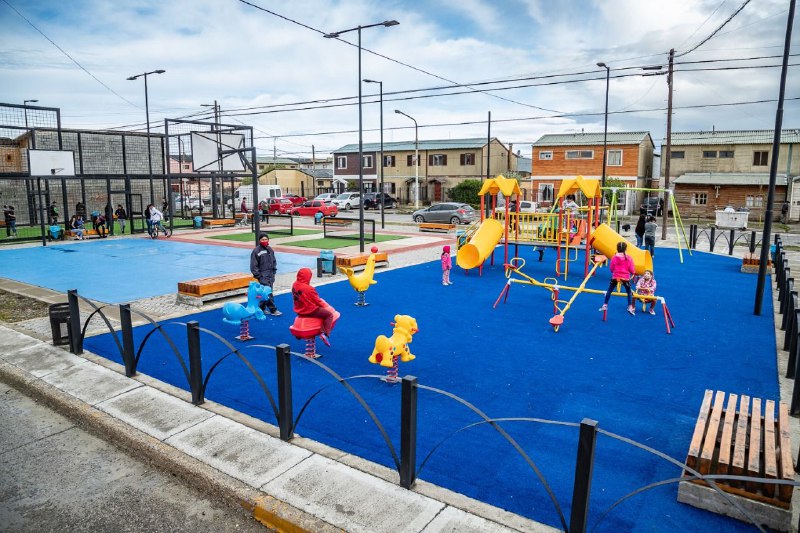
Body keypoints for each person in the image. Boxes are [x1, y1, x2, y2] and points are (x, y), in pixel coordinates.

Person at [292, 267, 334, 346]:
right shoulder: (309, 288)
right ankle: (325, 333)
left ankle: (298, 334)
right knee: (329, 315)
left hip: (299, 310)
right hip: (310, 310)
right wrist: (325, 306)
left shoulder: (294, 285)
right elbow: (317, 301)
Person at [599, 241, 636, 315]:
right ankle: (630, 306)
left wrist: (614, 271)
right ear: (626, 249)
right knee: (629, 292)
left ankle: (605, 304)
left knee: (609, 290)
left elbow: (611, 268)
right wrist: (633, 272)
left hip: (615, 277)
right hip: (625, 278)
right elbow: (632, 270)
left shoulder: (614, 257)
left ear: (617, 249)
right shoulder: (629, 258)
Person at [250, 233, 280, 316]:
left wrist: (274, 271)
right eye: (262, 239)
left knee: (264, 293)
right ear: (259, 240)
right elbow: (253, 265)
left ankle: (261, 308)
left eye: (266, 239)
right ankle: (273, 309)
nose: (264, 241)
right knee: (268, 293)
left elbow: (273, 261)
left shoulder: (270, 250)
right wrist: (258, 275)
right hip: (263, 276)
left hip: (270, 275)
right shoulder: (256, 251)